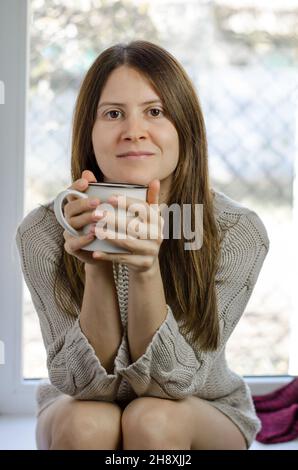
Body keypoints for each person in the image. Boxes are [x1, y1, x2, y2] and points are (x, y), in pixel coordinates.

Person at [15, 40, 269, 450]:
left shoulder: (235, 231)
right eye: (113, 114)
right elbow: (83, 386)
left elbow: (175, 383)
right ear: (89, 131)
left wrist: (145, 268)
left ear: (183, 125)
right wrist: (96, 261)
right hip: (78, 405)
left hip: (200, 408)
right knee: (87, 425)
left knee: (150, 420)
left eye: (155, 111)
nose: (134, 130)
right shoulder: (43, 231)